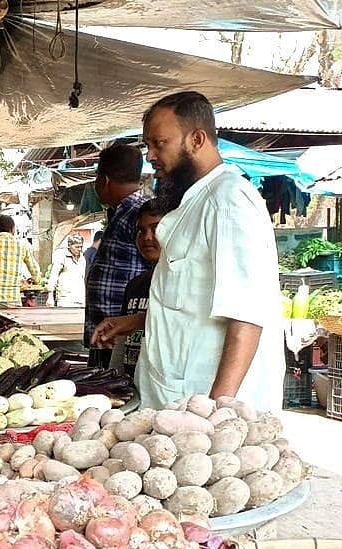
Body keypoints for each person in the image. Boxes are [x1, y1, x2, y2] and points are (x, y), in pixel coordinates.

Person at [136, 91, 283, 413]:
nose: (150, 155)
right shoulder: (195, 201)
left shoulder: (227, 200)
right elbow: (189, 302)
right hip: (177, 400)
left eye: (159, 143)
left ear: (197, 139)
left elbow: (248, 312)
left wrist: (218, 410)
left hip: (207, 411)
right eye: (147, 145)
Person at [86, 144, 149, 368]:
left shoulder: (141, 215)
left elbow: (154, 273)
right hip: (107, 334)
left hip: (121, 336)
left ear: (104, 180)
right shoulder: (122, 212)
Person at [90, 200, 164, 377]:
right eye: (141, 230)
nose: (147, 237)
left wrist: (136, 321)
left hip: (159, 385)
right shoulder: (135, 285)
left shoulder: (180, 286)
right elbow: (121, 345)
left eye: (156, 228)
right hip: (130, 383)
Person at [0, 214, 42, 308]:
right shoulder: (22, 246)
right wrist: (36, 280)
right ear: (12, 229)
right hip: (12, 300)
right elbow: (35, 271)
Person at [46, 234, 86, 307]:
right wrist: (50, 296)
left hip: (81, 299)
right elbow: (53, 275)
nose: (79, 249)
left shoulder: (82, 259)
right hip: (65, 299)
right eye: (76, 247)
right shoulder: (61, 256)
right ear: (69, 246)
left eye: (81, 247)